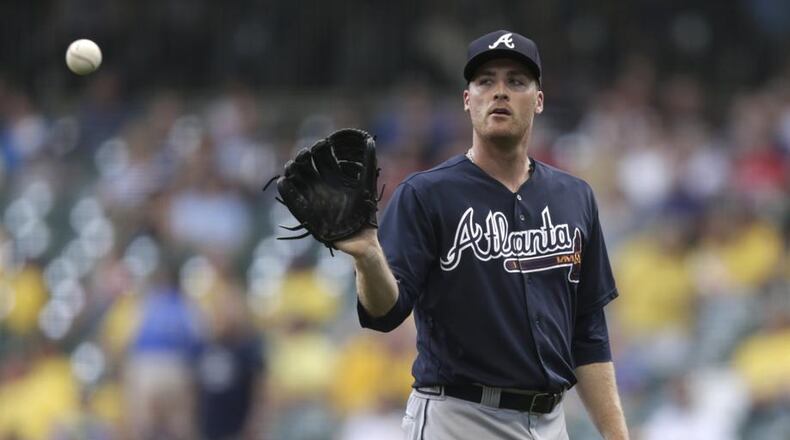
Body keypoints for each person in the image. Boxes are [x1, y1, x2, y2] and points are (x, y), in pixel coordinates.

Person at [335, 30, 629, 439]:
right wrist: (368, 257)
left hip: (550, 422)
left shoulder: (574, 197)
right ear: (467, 99)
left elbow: (589, 334)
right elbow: (385, 314)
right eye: (486, 81)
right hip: (459, 418)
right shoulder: (426, 194)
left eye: (516, 81)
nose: (500, 92)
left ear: (539, 100)